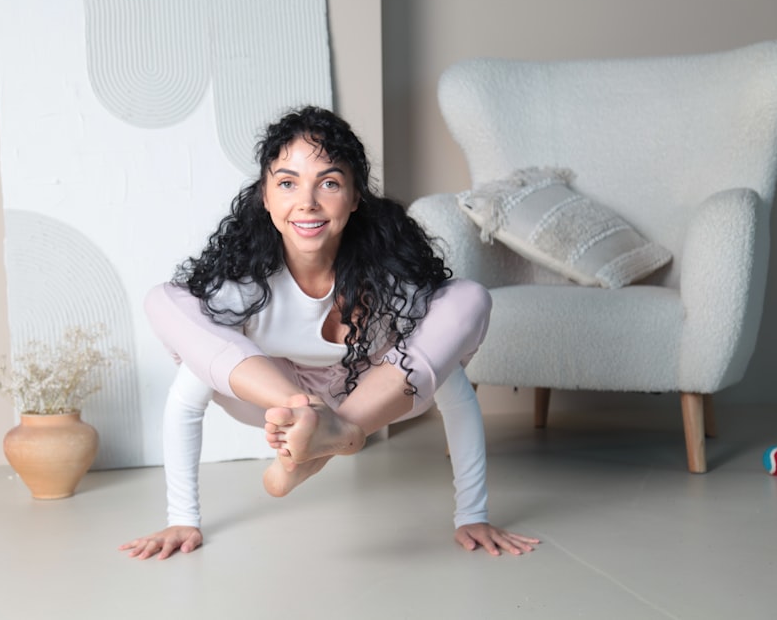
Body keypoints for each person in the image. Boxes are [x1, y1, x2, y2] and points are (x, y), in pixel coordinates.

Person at [119, 106, 539, 560]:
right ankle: (316, 418)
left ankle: (340, 429)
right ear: (264, 195)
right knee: (164, 298)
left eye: (329, 183)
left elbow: (453, 388)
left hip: (377, 396)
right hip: (272, 402)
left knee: (469, 296)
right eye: (287, 183)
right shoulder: (246, 283)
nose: (307, 202)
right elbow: (188, 396)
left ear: (356, 197)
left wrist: (472, 514)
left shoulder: (389, 283)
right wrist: (182, 518)